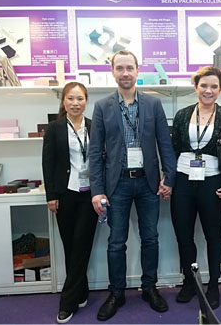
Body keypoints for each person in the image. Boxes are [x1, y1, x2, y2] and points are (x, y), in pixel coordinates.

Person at [89, 50, 176, 322]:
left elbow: (165, 144)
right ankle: (116, 293)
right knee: (116, 242)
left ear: (138, 70)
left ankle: (149, 288)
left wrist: (169, 178)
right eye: (120, 68)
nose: (125, 73)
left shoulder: (153, 104)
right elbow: (95, 152)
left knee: (151, 238)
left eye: (129, 67)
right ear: (113, 72)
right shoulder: (102, 106)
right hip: (117, 185)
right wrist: (97, 190)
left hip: (149, 183)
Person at [170, 66, 221, 310]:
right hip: (182, 180)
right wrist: (167, 179)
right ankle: (190, 282)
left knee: (213, 235)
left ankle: (213, 284)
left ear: (220, 90)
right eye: (204, 85)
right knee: (183, 235)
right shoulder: (182, 115)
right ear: (196, 87)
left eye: (214, 86)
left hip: (212, 181)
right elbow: (172, 149)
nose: (208, 90)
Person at [42, 82, 97, 325]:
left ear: (86, 101)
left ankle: (67, 302)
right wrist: (51, 195)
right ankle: (81, 291)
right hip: (64, 194)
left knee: (82, 244)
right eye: (71, 99)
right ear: (63, 101)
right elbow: (48, 162)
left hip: (89, 194)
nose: (75, 103)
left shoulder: (94, 126)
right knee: (70, 246)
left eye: (80, 99)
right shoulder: (54, 128)